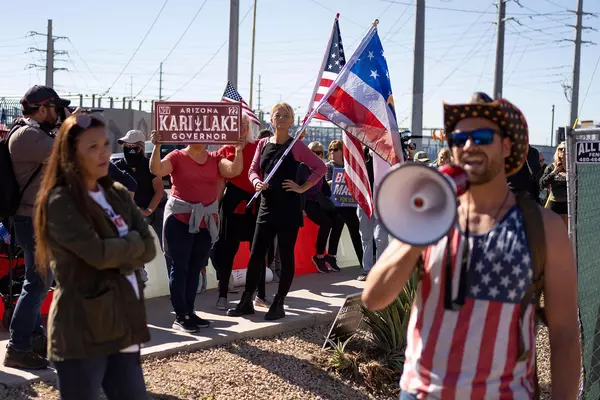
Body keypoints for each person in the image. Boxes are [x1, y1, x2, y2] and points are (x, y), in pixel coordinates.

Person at [362, 92, 580, 399]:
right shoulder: (428, 213)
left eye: (481, 136)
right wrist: (421, 223)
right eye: (458, 138)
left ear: (506, 146)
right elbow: (373, 298)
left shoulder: (544, 228)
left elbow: (565, 334)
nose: (468, 146)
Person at [34, 113, 156, 399]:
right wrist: (132, 244)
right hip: (82, 329)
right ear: (71, 154)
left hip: (124, 323)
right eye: (92, 147)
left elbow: (149, 247)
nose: (103, 153)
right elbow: (98, 255)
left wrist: (123, 247)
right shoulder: (61, 201)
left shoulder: (116, 192)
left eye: (104, 144)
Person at [227, 102, 326, 321]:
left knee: (286, 255)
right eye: (277, 115)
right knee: (255, 255)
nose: (280, 118)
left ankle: (279, 302)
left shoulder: (296, 147)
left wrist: (302, 187)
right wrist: (256, 182)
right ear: (270, 120)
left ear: (292, 121)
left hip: (289, 209)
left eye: (285, 115)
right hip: (266, 207)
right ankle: (246, 301)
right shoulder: (263, 143)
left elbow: (321, 168)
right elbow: (253, 170)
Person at [150, 128, 245, 333]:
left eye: (203, 133)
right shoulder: (177, 156)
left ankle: (190, 311)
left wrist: (239, 150)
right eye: (194, 133)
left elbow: (233, 171)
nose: (199, 137)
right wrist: (157, 146)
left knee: (195, 267)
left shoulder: (215, 158)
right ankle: (180, 314)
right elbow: (157, 169)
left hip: (204, 221)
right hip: (180, 219)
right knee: (180, 267)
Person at [4, 85, 71, 370]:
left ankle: (32, 339)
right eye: (55, 109)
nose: (58, 115)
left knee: (40, 284)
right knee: (37, 283)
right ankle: (18, 347)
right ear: (42, 108)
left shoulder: (35, 132)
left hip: (40, 218)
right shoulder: (27, 135)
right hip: (33, 219)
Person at [213, 116, 269, 311]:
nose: (241, 129)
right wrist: (215, 206)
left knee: (258, 251)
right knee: (227, 251)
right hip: (232, 206)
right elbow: (221, 182)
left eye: (245, 125)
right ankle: (222, 295)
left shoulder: (258, 148)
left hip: (255, 204)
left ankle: (260, 294)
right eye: (237, 125)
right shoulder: (223, 150)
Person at [114, 130, 166, 244]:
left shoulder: (150, 165)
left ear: (140, 147)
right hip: (131, 211)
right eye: (126, 145)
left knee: (167, 246)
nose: (128, 148)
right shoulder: (118, 167)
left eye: (132, 145)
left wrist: (148, 211)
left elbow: (159, 191)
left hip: (155, 208)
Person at [324, 140, 364, 271]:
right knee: (349, 227)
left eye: (335, 149)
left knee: (350, 228)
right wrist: (336, 180)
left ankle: (331, 256)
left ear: (343, 151)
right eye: (330, 149)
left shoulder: (350, 166)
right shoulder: (329, 166)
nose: (332, 152)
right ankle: (363, 260)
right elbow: (325, 184)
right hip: (336, 203)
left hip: (349, 203)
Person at [303, 141, 342, 273]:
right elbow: (297, 189)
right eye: (312, 152)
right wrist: (301, 208)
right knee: (326, 222)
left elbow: (326, 190)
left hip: (320, 202)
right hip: (308, 203)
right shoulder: (302, 168)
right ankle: (319, 256)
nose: (315, 155)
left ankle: (330, 256)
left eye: (319, 152)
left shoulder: (321, 168)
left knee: (338, 219)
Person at [357, 146, 389, 282]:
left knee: (381, 238)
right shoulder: (361, 158)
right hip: (364, 201)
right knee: (366, 237)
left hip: (383, 201)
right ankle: (367, 269)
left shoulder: (387, 157)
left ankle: (381, 270)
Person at [540, 142, 568, 226]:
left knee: (566, 234)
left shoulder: (573, 166)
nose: (563, 151)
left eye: (565, 149)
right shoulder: (551, 167)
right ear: (557, 151)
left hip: (568, 205)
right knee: (552, 231)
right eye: (560, 149)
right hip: (554, 203)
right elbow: (542, 183)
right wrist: (554, 172)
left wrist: (568, 173)